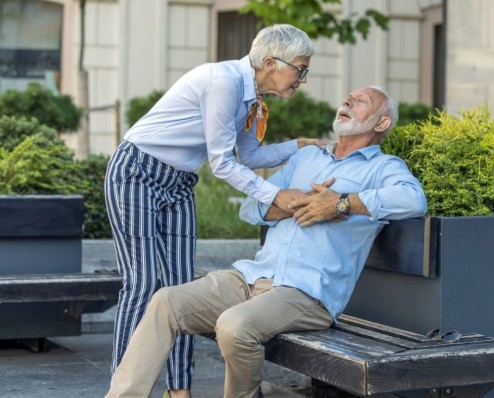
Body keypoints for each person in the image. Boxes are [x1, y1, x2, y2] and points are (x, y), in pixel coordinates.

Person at [105, 86, 427, 398]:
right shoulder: (306, 159)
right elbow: (251, 207)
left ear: (381, 123)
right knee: (166, 301)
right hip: (252, 275)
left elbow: (414, 199)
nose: (348, 100)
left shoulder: (384, 167)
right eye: (349, 96)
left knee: (234, 326)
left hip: (306, 292)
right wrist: (291, 203)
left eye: (361, 100)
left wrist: (340, 203)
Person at [104, 24, 326, 398]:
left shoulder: (250, 99)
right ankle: (121, 389)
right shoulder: (222, 82)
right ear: (270, 62)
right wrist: (277, 195)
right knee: (142, 284)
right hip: (137, 172)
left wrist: (298, 145)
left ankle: (179, 391)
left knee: (178, 288)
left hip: (177, 184)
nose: (302, 79)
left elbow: (250, 157)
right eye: (300, 69)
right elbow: (222, 164)